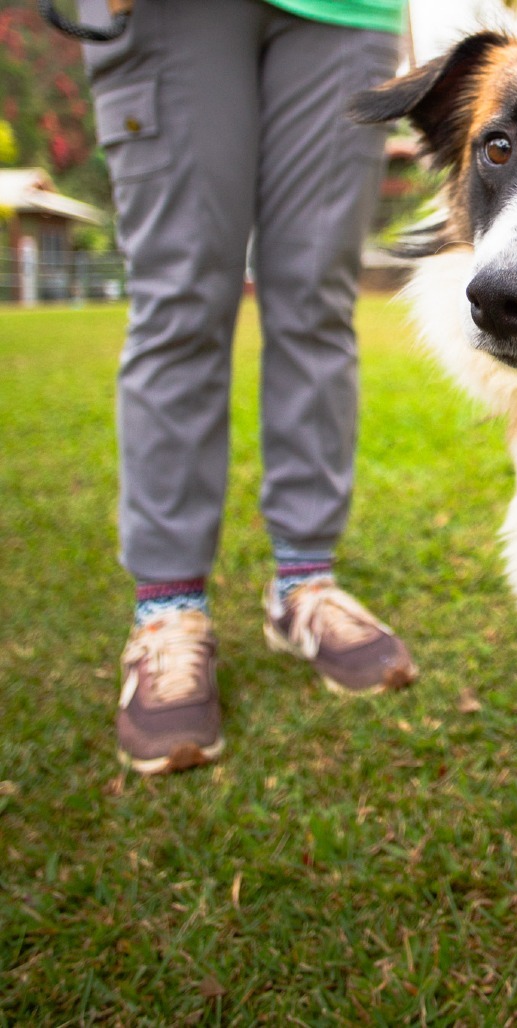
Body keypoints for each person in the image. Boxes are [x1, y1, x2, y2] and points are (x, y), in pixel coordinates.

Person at [77, 0, 417, 775]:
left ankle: (304, 583)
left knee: (318, 296)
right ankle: (168, 610)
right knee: (182, 297)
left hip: (342, 11)